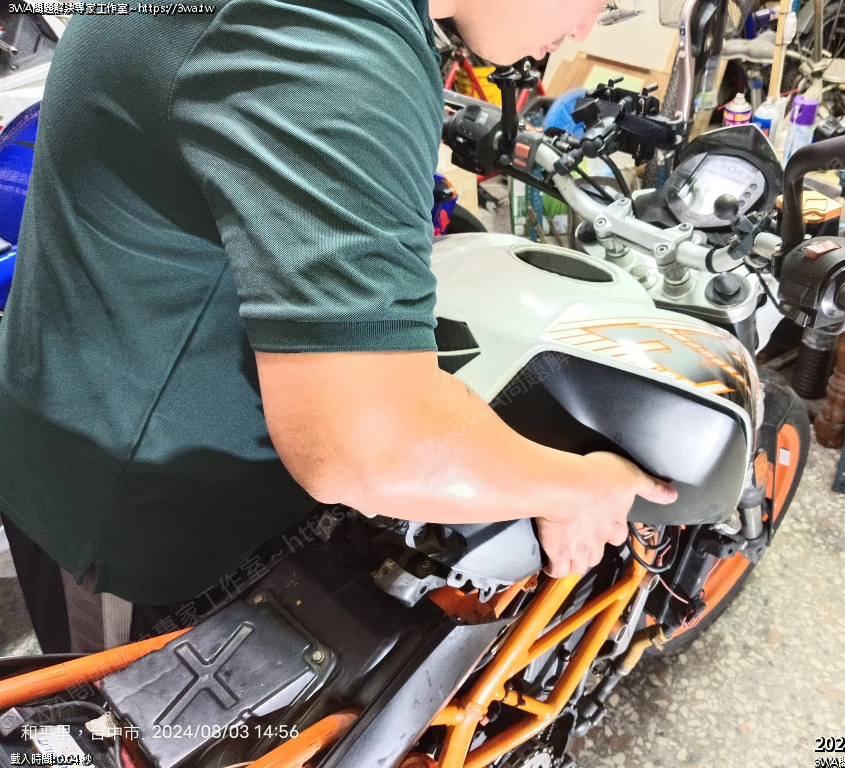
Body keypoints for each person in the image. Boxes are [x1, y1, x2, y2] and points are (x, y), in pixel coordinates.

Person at [0, 0, 675, 654]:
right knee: (134, 714)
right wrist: (578, 489)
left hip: (127, 417)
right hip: (133, 513)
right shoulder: (324, 36)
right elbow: (370, 447)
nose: (586, 24)